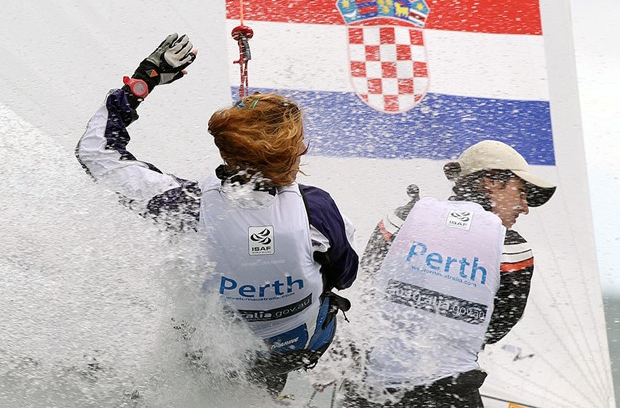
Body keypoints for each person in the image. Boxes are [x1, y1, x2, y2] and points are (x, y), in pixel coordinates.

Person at [75, 33, 359, 397]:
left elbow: (96, 153)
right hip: (287, 352)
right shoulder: (317, 211)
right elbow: (344, 276)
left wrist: (143, 82)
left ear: (226, 149)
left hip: (209, 352)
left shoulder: (186, 206)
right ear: (294, 155)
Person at [343, 140, 556, 407]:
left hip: (366, 387)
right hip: (448, 392)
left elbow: (366, 284)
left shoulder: (401, 218)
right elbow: (497, 327)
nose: (524, 206)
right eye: (521, 191)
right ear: (492, 182)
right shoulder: (512, 248)